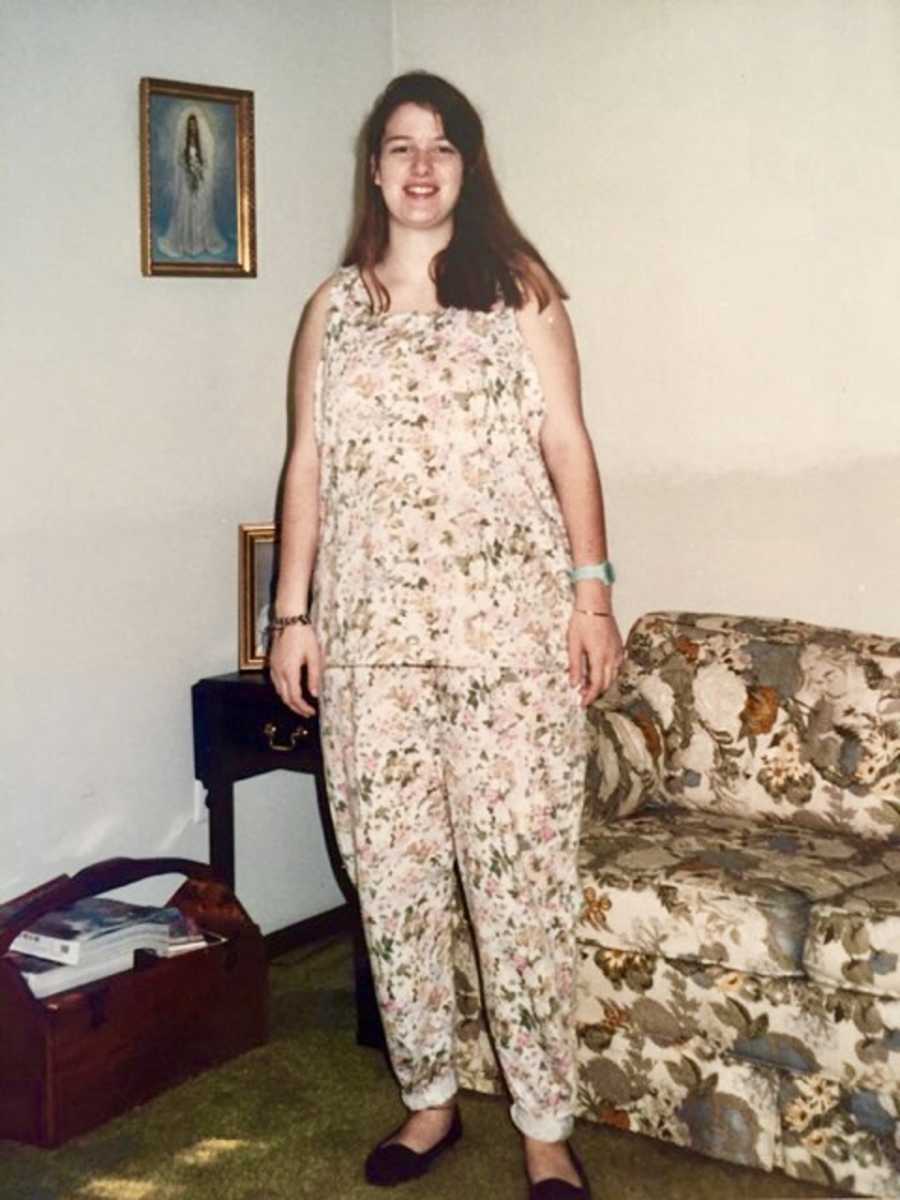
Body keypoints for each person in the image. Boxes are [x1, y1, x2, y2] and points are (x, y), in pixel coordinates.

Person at [270, 70, 624, 1200]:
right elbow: (307, 469)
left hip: (510, 643)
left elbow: (569, 446)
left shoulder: (519, 292)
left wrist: (592, 596)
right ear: (374, 168)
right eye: (400, 146)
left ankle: (544, 1129)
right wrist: (292, 614)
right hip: (371, 646)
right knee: (396, 881)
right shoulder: (333, 311)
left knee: (520, 887)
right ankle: (429, 1104)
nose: (421, 166)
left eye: (444, 147)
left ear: (468, 167)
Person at [159, 108, 225, 258]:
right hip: (187, 180)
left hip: (199, 179)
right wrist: (188, 171)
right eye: (190, 126)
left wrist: (199, 172)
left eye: (195, 125)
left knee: (199, 207)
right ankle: (187, 241)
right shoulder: (184, 143)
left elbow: (206, 163)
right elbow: (180, 160)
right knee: (187, 206)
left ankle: (200, 241)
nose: (193, 128)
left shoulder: (203, 145)